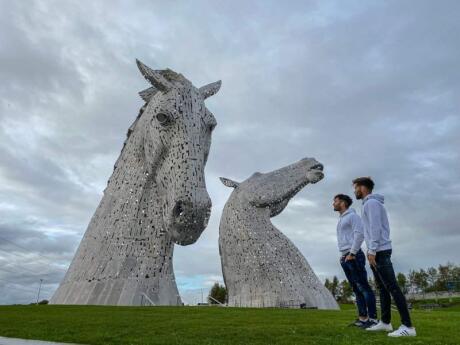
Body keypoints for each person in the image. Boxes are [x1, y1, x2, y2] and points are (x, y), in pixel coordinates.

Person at [353, 177, 416, 337]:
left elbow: (376, 228)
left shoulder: (372, 204)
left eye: (356, 187)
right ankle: (386, 323)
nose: (355, 191)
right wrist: (370, 250)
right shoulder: (368, 204)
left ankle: (408, 327)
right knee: (382, 288)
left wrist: (372, 250)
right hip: (376, 250)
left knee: (392, 287)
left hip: (380, 251)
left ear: (363, 187)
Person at [333, 194, 377, 328]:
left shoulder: (353, 216)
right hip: (345, 256)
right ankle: (363, 318)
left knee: (363, 287)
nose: (333, 204)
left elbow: (360, 234)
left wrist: (352, 253)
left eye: (335, 201)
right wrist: (344, 255)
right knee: (356, 289)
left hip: (354, 255)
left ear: (343, 202)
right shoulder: (341, 219)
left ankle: (373, 319)